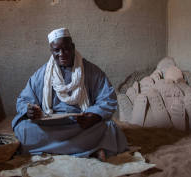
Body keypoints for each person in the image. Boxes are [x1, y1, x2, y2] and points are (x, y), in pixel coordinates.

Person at [12, 28, 128, 161]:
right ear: (51, 51)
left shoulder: (91, 71)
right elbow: (23, 100)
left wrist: (95, 116)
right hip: (50, 126)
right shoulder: (42, 74)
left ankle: (56, 149)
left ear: (73, 47)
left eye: (66, 49)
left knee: (109, 128)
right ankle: (88, 150)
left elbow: (108, 98)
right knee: (22, 129)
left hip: (81, 125)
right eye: (57, 50)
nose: (62, 54)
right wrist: (29, 110)